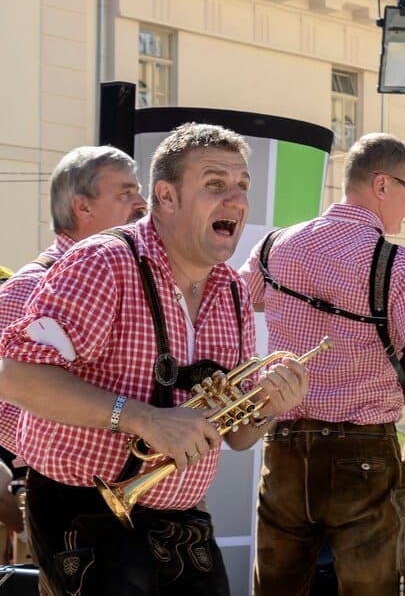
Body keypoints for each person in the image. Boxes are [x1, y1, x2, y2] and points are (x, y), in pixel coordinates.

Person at [0, 122, 309, 595]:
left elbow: (240, 435)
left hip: (183, 518)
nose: (236, 200)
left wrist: (268, 406)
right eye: (214, 185)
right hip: (83, 510)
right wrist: (143, 419)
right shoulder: (102, 261)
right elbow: (16, 377)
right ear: (166, 196)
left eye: (242, 185)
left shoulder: (232, 290)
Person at [238, 131, 405, 596]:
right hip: (363, 450)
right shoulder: (400, 265)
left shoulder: (275, 246)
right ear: (381, 185)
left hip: (284, 444)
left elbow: (230, 305)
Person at [0, 145, 148, 459]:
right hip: (72, 494)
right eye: (125, 193)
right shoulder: (29, 286)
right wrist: (73, 456)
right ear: (82, 208)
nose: (142, 204)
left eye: (139, 191)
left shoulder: (119, 276)